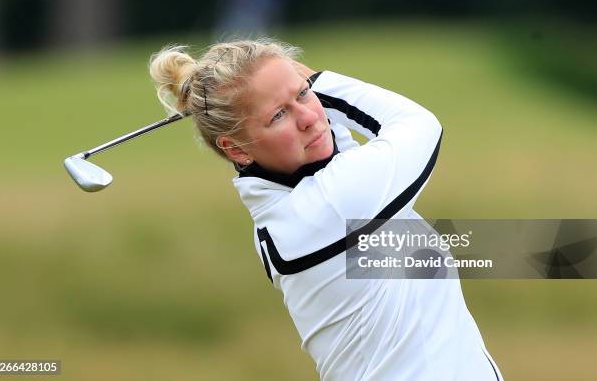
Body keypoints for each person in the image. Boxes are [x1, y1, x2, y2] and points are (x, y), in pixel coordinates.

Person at [148, 39, 504, 381]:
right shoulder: (330, 207)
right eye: (278, 115)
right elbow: (419, 126)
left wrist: (555, 253)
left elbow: (424, 257)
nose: (307, 117)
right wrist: (321, 83)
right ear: (237, 149)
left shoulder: (293, 210)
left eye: (303, 94)